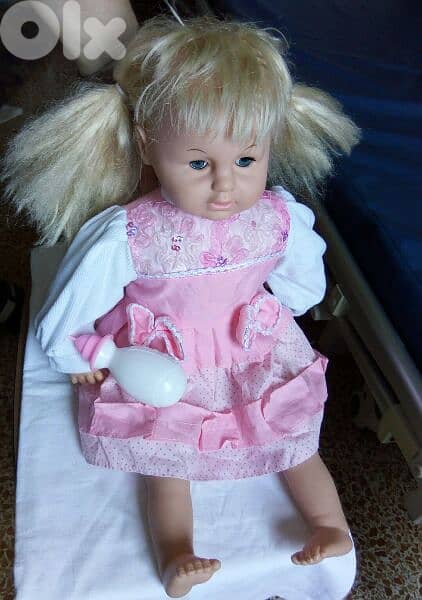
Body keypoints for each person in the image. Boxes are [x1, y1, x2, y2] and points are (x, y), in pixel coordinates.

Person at [2, 15, 359, 598]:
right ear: (147, 146)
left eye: (246, 161)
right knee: (165, 457)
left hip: (249, 345)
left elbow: (302, 282)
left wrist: (287, 304)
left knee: (294, 439)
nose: (225, 185)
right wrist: (76, 351)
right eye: (198, 163)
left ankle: (329, 524)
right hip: (164, 355)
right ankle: (176, 551)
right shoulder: (133, 232)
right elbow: (77, 295)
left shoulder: (277, 217)